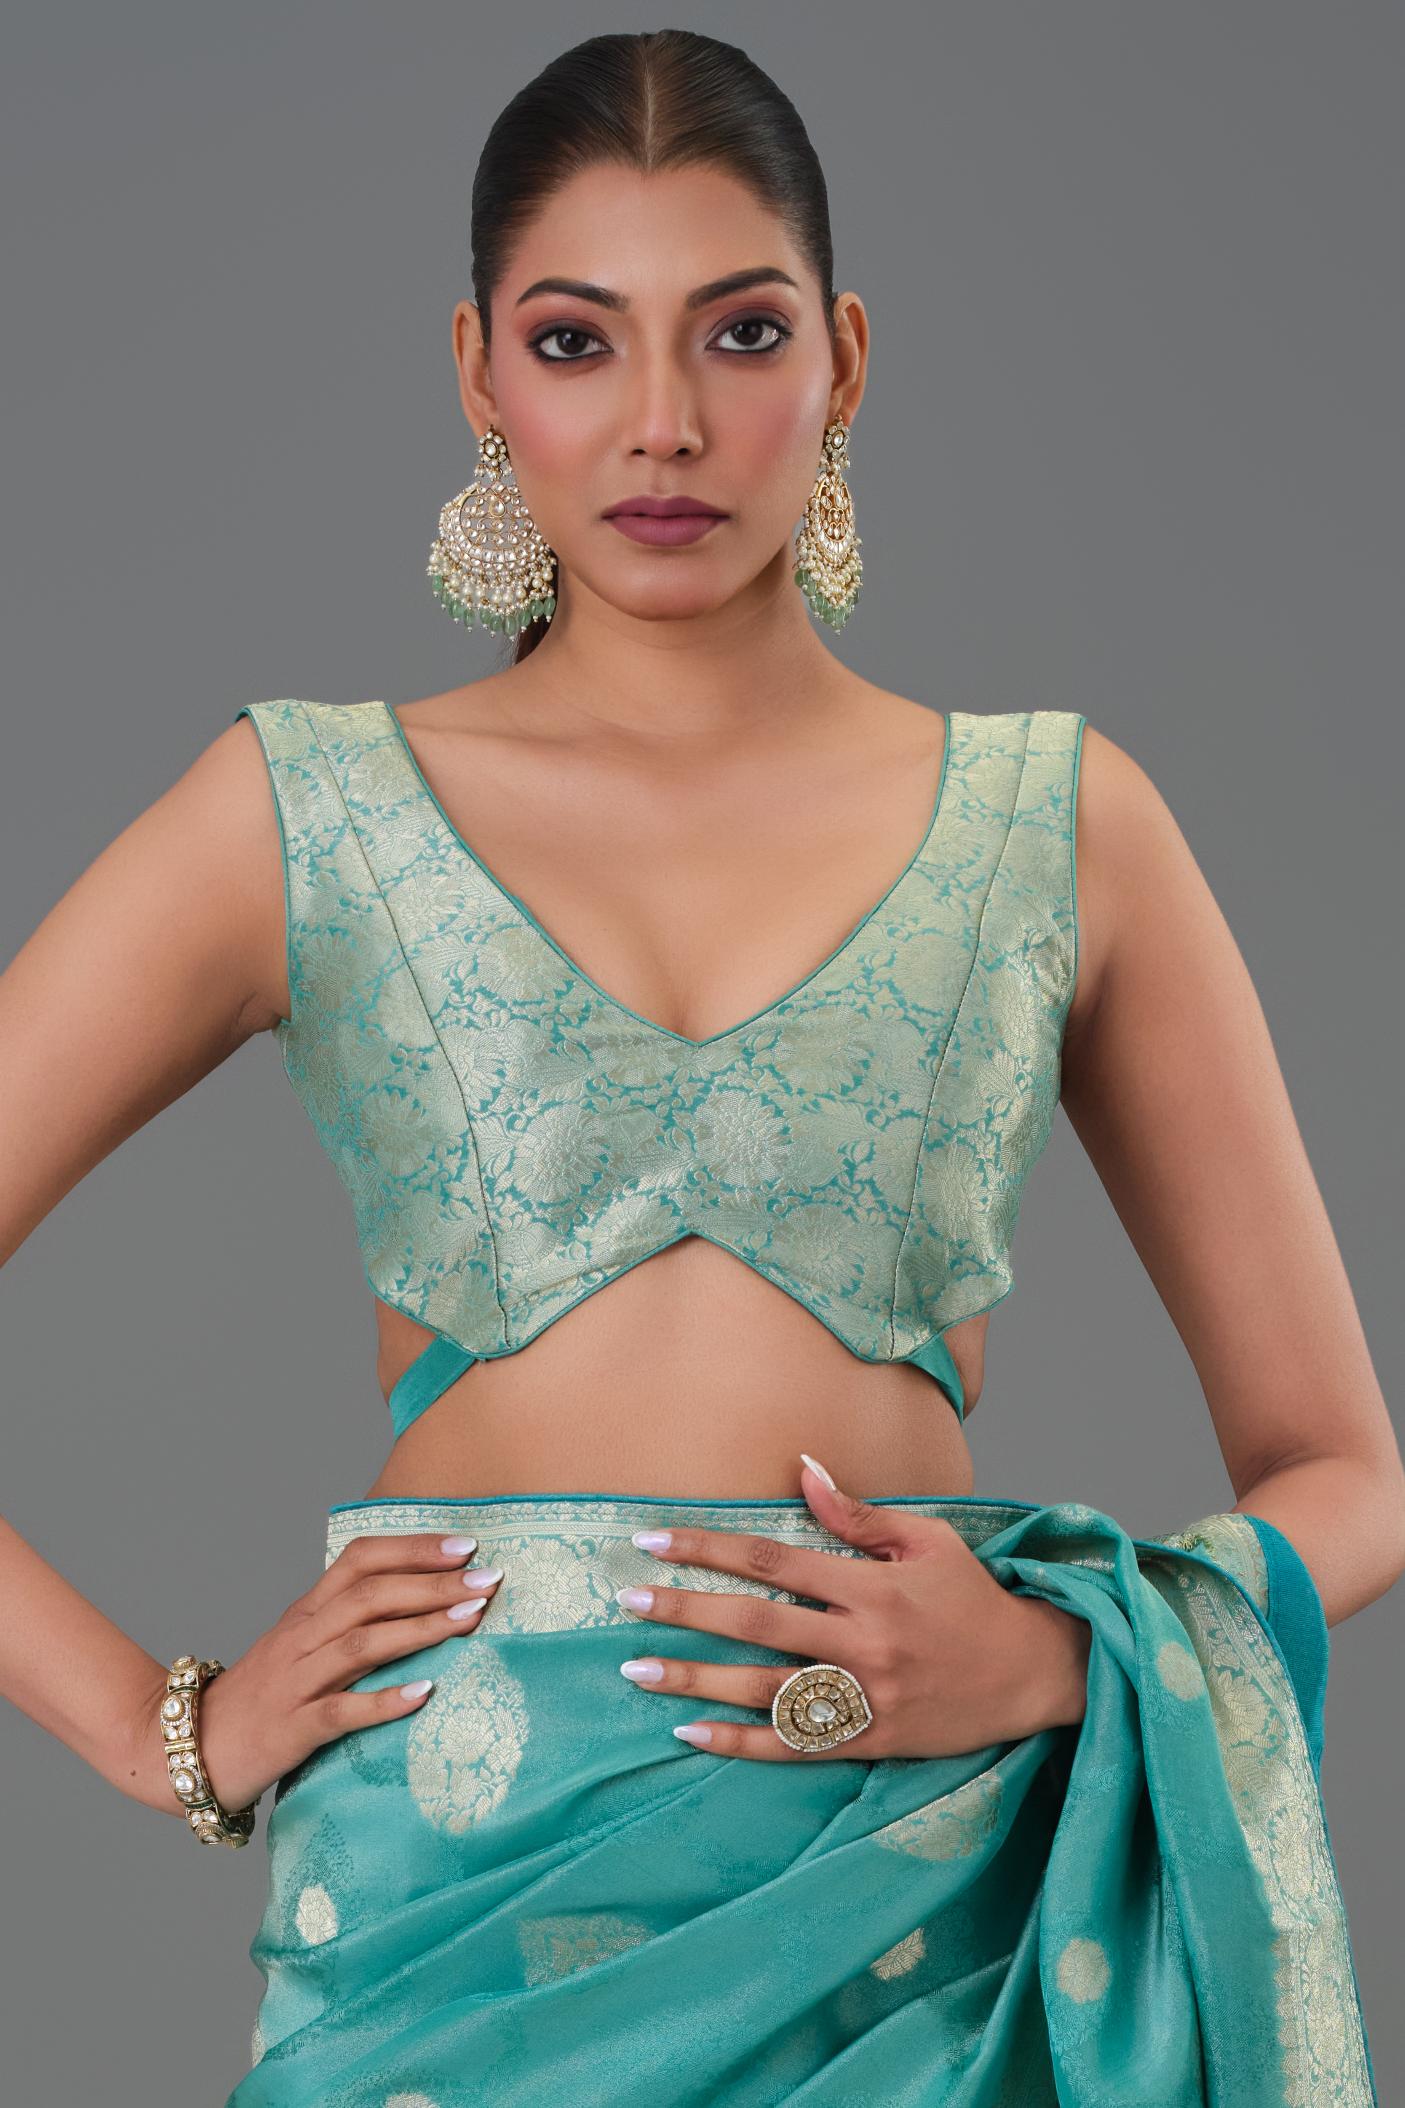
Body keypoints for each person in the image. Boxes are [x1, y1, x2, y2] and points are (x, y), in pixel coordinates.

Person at [0, 27, 1397, 2106]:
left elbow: (1346, 1473)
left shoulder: (1060, 825)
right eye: (577, 341)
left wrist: (1047, 1656)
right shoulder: (305, 815)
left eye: (737, 332)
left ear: (843, 358)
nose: (662, 421)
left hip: (921, 1901)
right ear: (478, 374)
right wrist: (156, 1724)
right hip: (452, 1900)